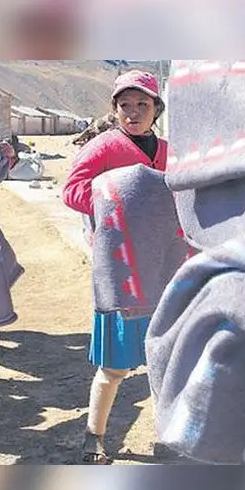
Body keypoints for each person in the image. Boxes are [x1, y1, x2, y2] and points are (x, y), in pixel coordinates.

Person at [61, 70, 168, 464]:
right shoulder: (104, 146)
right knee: (115, 367)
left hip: (162, 268)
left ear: (157, 108)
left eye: (143, 104)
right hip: (120, 269)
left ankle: (167, 438)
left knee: (164, 361)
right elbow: (71, 190)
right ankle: (94, 436)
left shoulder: (169, 150)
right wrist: (115, 202)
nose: (134, 112)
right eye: (125, 105)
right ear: (115, 109)